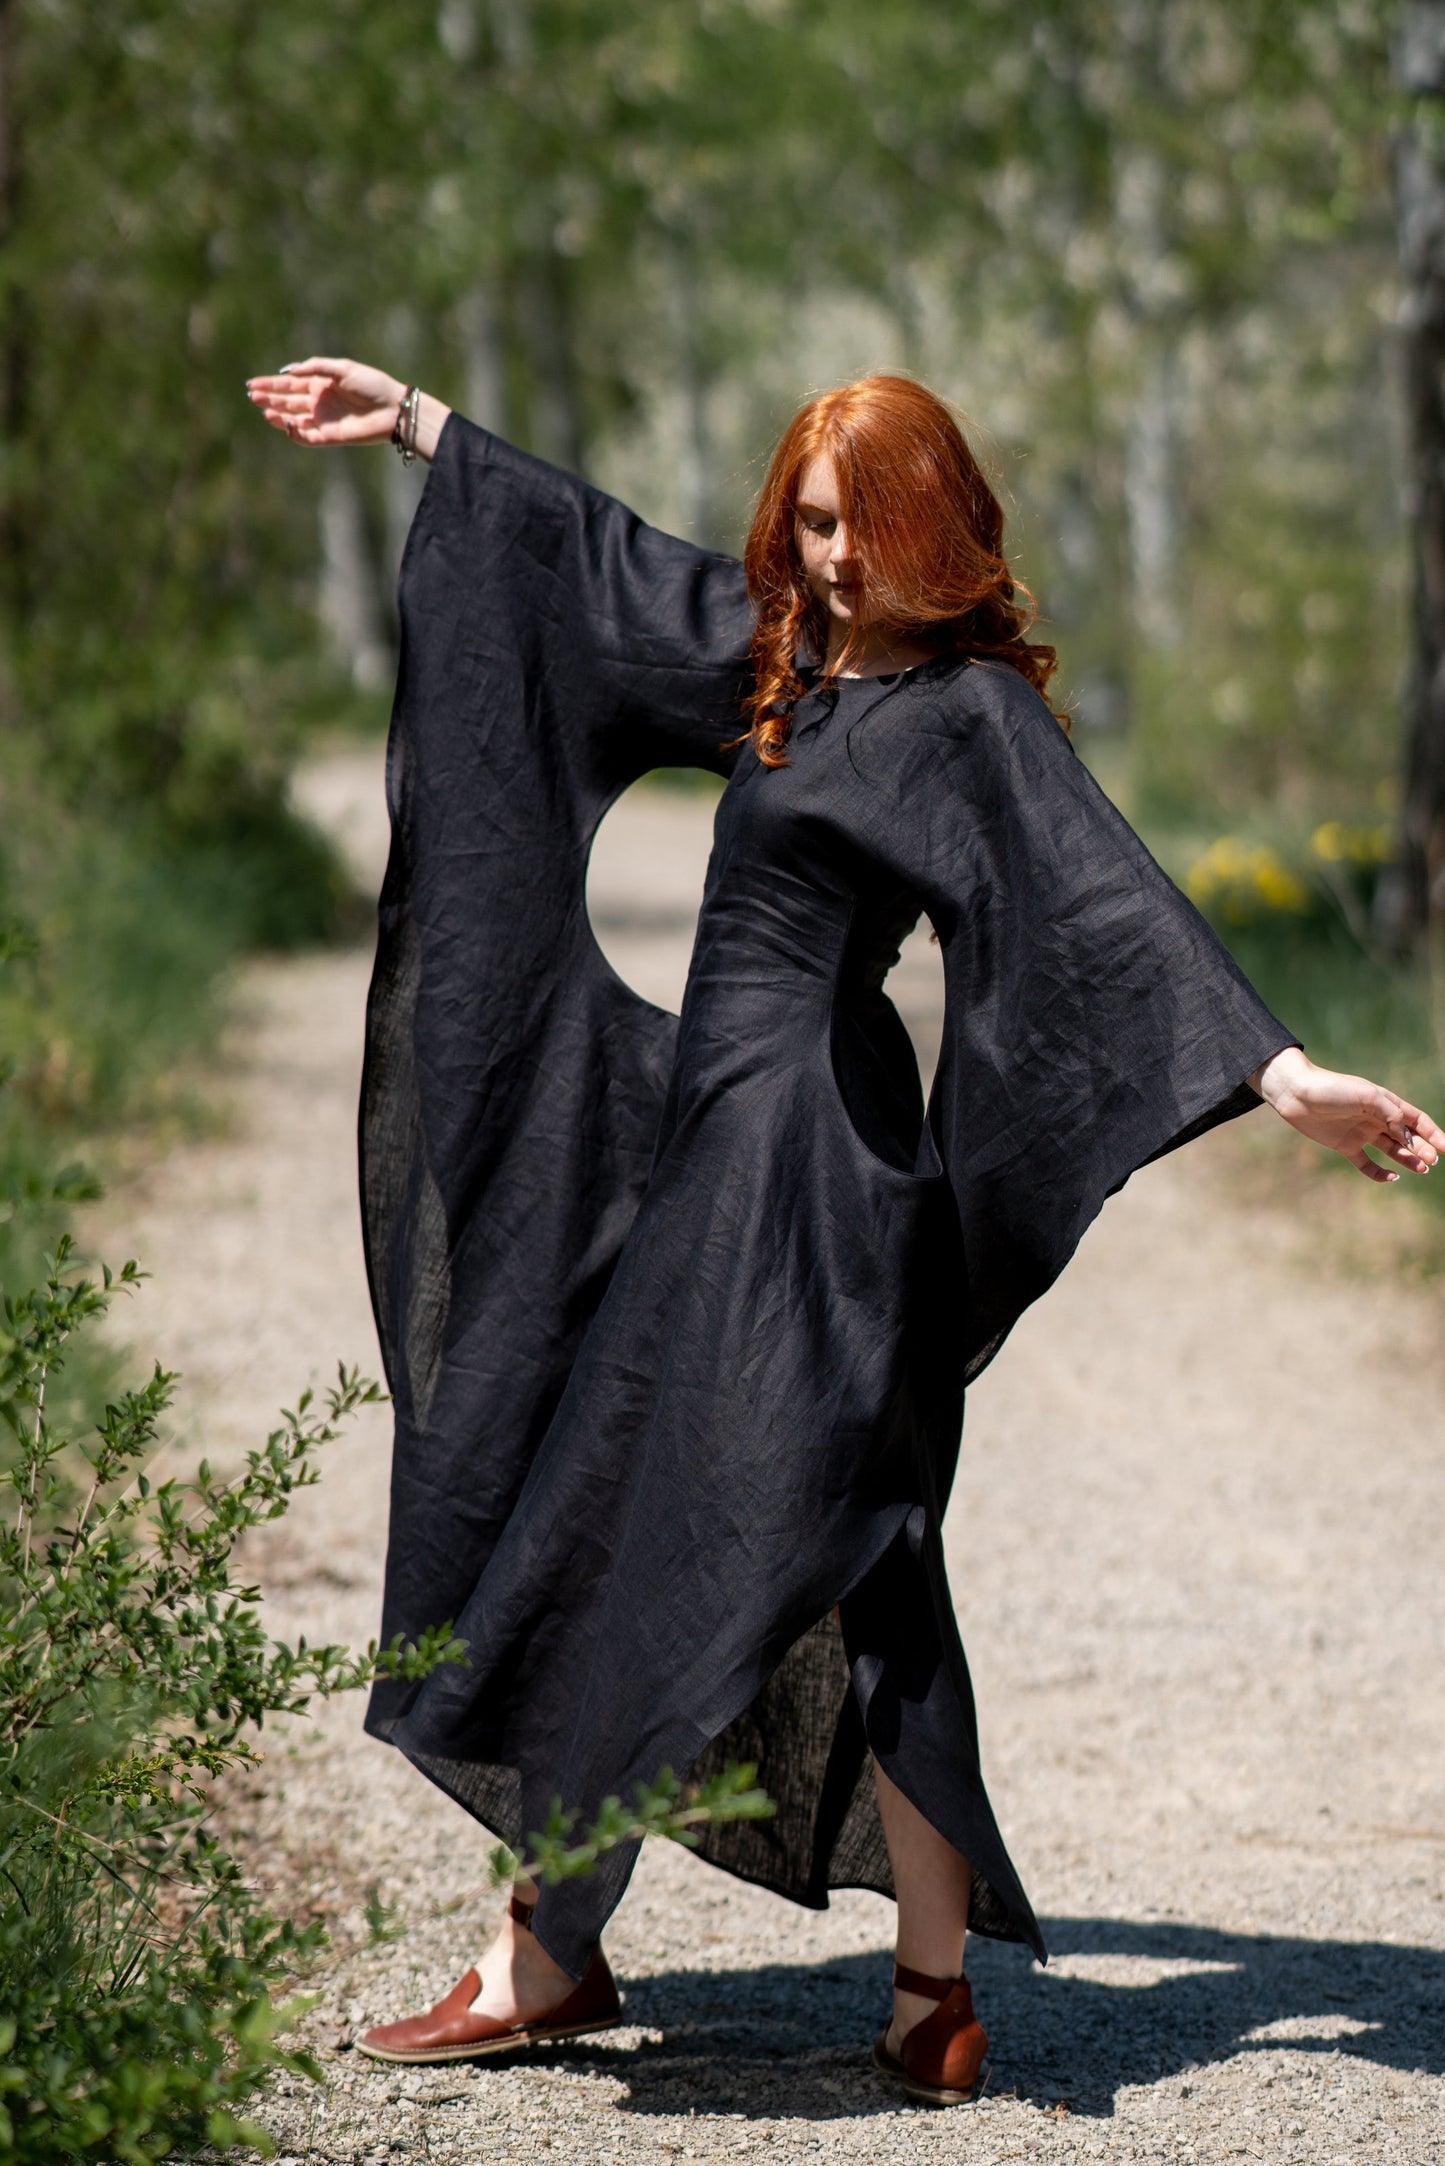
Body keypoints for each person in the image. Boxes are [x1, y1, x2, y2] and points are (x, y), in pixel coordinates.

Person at [245, 358, 1442, 2106]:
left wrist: (1280, 1072)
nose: (821, 563)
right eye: (805, 527)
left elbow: (1107, 898)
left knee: (644, 1512)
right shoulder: (782, 663)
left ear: (927, 531)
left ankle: (549, 1952)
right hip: (721, 1158)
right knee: (865, 1548)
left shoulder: (969, 719)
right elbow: (600, 567)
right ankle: (925, 1989)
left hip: (819, 1181)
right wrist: (426, 419)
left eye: (853, 532)